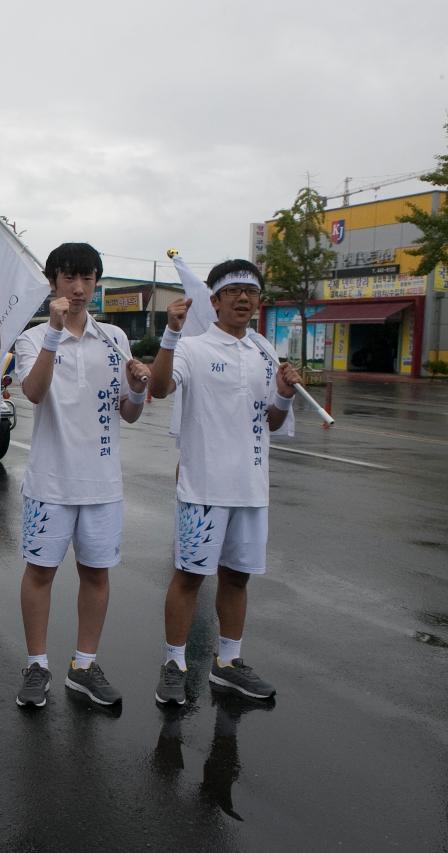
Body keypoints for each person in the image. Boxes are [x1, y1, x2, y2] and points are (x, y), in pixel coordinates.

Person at [148, 259, 300, 705]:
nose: (242, 298)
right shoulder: (193, 348)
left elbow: (270, 421)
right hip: (203, 489)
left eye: (250, 291)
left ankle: (228, 663)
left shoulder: (264, 351)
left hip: (251, 490)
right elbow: (158, 388)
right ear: (214, 300)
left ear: (258, 301)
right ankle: (174, 663)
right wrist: (170, 334)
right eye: (232, 290)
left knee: (237, 579)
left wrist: (285, 394)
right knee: (189, 578)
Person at [13, 243, 151, 709]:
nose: (77, 287)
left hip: (103, 485)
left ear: (96, 282)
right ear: (52, 281)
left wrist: (136, 387)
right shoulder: (33, 338)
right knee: (40, 574)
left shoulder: (114, 338)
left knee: (96, 575)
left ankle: (84, 665)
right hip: (50, 484)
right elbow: (33, 392)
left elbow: (128, 413)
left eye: (87, 278)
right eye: (68, 277)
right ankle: (36, 666)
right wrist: (53, 331)